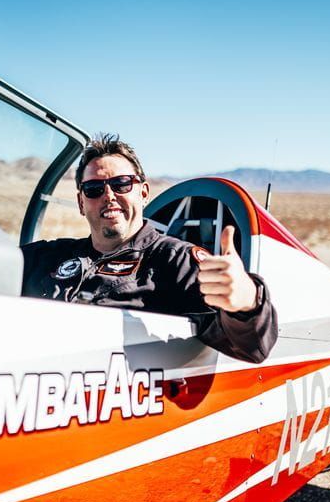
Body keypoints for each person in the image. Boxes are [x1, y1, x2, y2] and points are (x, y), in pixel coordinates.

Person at [21, 134, 276, 363]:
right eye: (94, 188)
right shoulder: (49, 256)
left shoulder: (175, 261)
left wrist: (247, 302)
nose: (108, 195)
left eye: (121, 183)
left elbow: (251, 347)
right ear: (81, 202)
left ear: (143, 193)